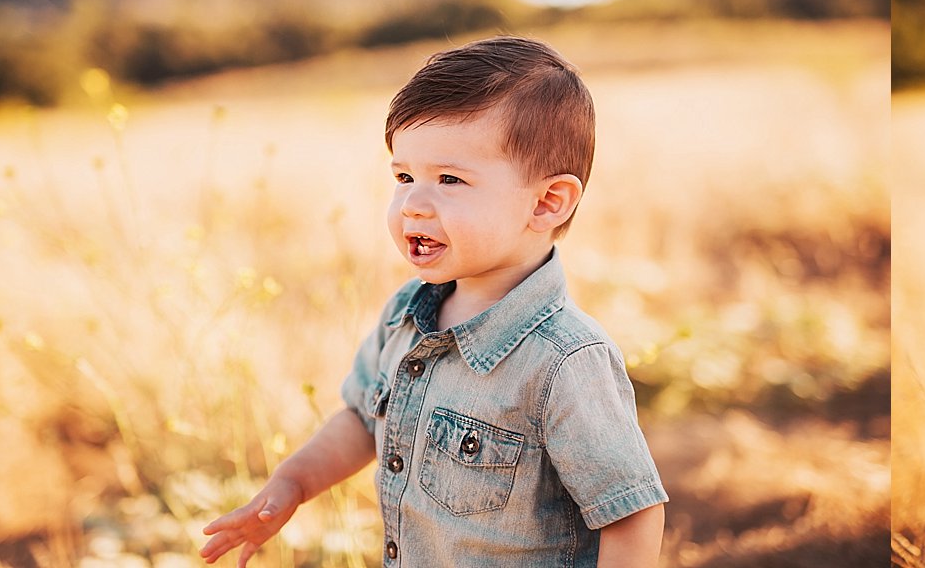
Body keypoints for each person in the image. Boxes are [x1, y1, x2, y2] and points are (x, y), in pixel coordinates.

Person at [201, 36, 667, 567]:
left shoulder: (565, 362)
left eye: (449, 179)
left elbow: (630, 513)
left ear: (546, 203)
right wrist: (291, 483)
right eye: (404, 177)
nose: (413, 206)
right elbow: (362, 418)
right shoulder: (406, 314)